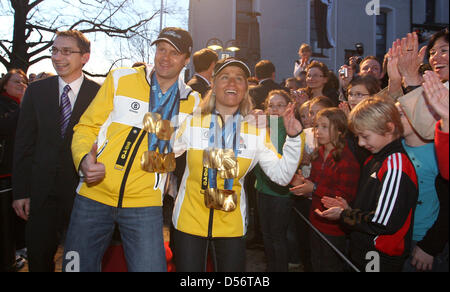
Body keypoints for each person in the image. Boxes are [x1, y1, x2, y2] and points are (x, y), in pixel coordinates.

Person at [62, 27, 200, 272]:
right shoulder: (121, 78)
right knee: (76, 267)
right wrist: (83, 159)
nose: (165, 57)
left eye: (175, 53)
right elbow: (85, 127)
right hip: (94, 194)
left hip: (144, 203)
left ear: (186, 59)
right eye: (161, 49)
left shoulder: (192, 100)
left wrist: (256, 119)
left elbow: (193, 143)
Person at [171, 57, 303, 272]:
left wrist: (294, 137)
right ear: (213, 85)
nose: (232, 83)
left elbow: (282, 176)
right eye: (225, 77)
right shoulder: (193, 121)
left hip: (231, 227)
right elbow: (162, 153)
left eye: (239, 78)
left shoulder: (257, 130)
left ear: (246, 88)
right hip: (188, 222)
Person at [12, 30, 100, 272]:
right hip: (41, 193)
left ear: (85, 57)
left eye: (66, 51)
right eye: (54, 50)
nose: (57, 56)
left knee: (78, 260)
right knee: (39, 257)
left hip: (83, 194)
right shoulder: (36, 91)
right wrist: (21, 191)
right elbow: (24, 144)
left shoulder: (99, 94)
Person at [317, 97, 418, 272]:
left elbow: (383, 221)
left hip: (380, 254)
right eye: (358, 137)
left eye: (365, 136)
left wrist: (344, 214)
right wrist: (348, 208)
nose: (361, 143)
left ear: (389, 128)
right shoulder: (375, 158)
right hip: (364, 248)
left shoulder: (395, 165)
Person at [290, 108, 360, 272]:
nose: (317, 132)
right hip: (315, 219)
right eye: (316, 127)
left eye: (324, 127)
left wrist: (313, 188)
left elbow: (344, 196)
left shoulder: (346, 159)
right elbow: (315, 184)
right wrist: (302, 183)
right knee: (316, 262)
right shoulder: (319, 152)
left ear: (340, 130)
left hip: (333, 228)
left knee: (330, 265)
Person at [253, 89, 303, 272]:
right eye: (270, 106)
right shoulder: (264, 124)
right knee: (266, 235)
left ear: (289, 107)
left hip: (280, 192)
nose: (274, 109)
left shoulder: (289, 127)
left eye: (279, 105)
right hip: (262, 188)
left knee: (277, 236)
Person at [396, 103, 441, 272]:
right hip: (398, 237)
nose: (394, 120)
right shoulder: (394, 149)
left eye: (401, 114)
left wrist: (431, 246)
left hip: (424, 241)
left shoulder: (438, 153)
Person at [0, 69, 28, 271]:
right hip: (4, 172)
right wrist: (24, 106)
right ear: (4, 85)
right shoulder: (3, 104)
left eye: (24, 82)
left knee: (14, 220)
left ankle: (14, 253)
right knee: (4, 222)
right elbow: (5, 127)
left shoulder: (21, 105)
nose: (21, 85)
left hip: (19, 170)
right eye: (16, 81)